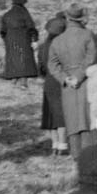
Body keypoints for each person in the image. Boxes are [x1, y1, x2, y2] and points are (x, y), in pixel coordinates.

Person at [48, 3, 97, 158]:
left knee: (72, 120)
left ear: (67, 18)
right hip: (85, 81)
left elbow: (52, 64)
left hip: (67, 84)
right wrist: (80, 75)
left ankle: (76, 155)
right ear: (80, 18)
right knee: (86, 119)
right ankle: (89, 154)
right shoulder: (88, 35)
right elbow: (92, 57)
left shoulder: (57, 40)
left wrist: (65, 78)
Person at [38, 15, 69, 155]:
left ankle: (55, 144)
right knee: (60, 112)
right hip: (61, 80)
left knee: (50, 113)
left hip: (49, 81)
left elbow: (41, 68)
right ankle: (63, 145)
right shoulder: (63, 46)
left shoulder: (43, 47)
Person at [0, 0, 38, 84]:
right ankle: (23, 79)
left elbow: (3, 30)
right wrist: (35, 38)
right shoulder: (24, 14)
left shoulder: (7, 14)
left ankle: (13, 76)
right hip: (23, 37)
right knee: (24, 57)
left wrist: (6, 40)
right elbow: (31, 27)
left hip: (10, 38)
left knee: (13, 57)